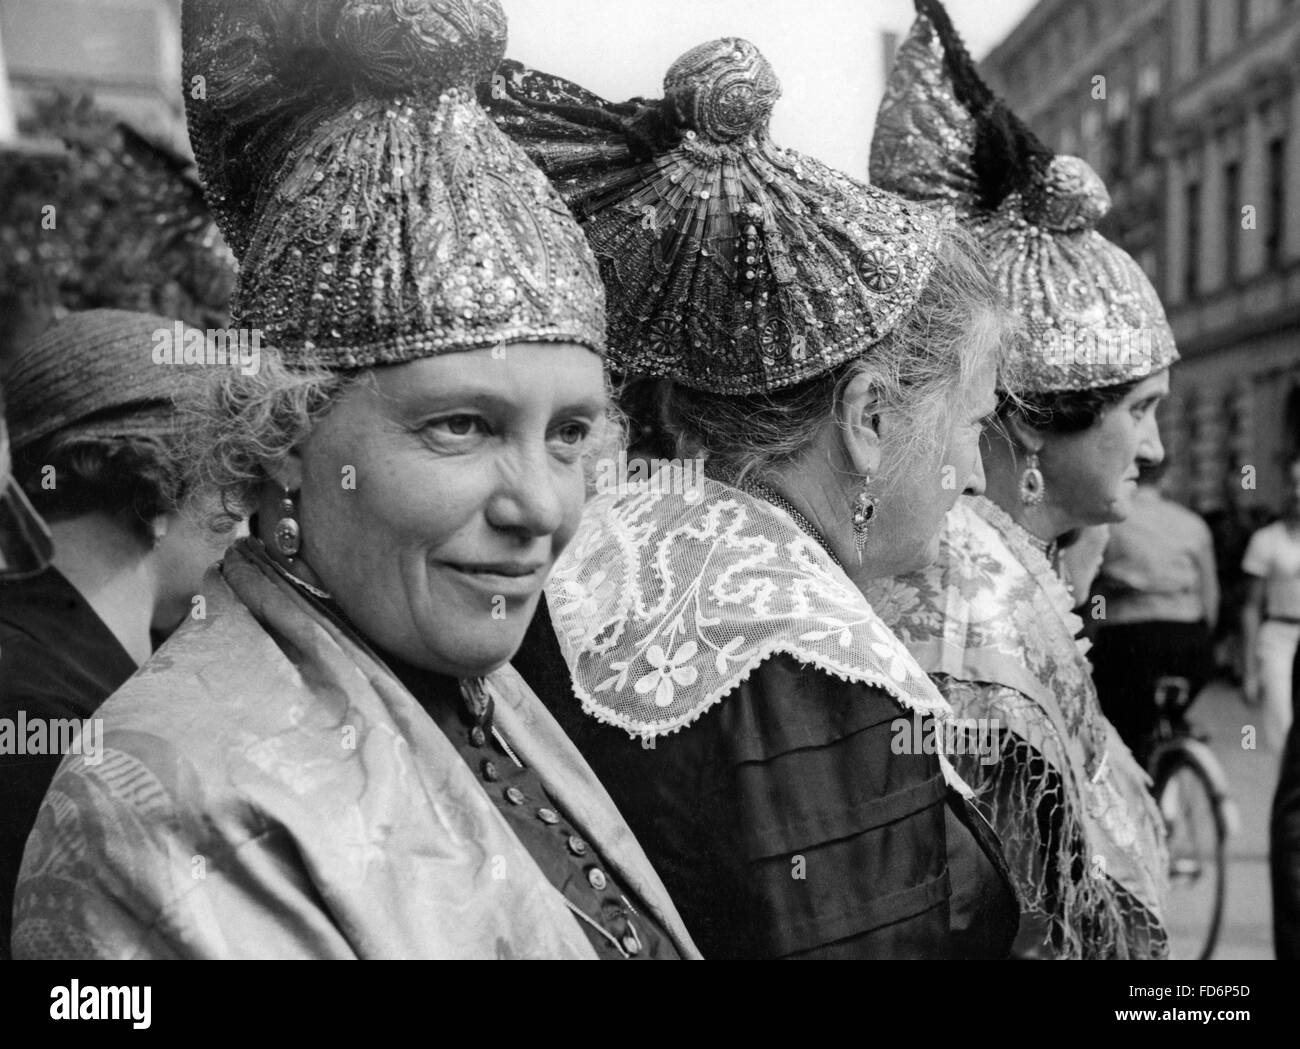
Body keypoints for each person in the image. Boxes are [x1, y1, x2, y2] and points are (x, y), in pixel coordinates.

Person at [12, 0, 697, 961]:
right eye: (462, 426)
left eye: (571, 432)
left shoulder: (474, 690)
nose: (541, 506)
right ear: (289, 434)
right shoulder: (169, 807)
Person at [489, 38, 1020, 959]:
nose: (975, 475)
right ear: (870, 417)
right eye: (972, 424)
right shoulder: (807, 663)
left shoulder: (595, 544)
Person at [866, 0, 1176, 959]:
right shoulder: (977, 603)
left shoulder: (1012, 567)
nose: (1158, 451)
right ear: (1037, 424)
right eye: (1142, 410)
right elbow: (984, 913)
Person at [0, 309, 232, 955]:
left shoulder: (44, 657)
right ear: (157, 491)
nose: (239, 523)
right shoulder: (49, 716)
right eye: (228, 480)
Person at [1089, 460, 1219, 757]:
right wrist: (1204, 639)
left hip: (1128, 636)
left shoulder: (1109, 518)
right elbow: (1210, 593)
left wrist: (1093, 624)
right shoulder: (1193, 524)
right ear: (1165, 476)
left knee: (1119, 719)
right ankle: (1175, 734)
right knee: (1172, 706)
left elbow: (1092, 592)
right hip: (1188, 637)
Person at [1241, 452, 1300, 750]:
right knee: (1282, 723)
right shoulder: (1266, 540)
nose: (1298, 492)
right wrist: (1250, 672)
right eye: (1293, 484)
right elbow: (1251, 606)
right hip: (1279, 636)